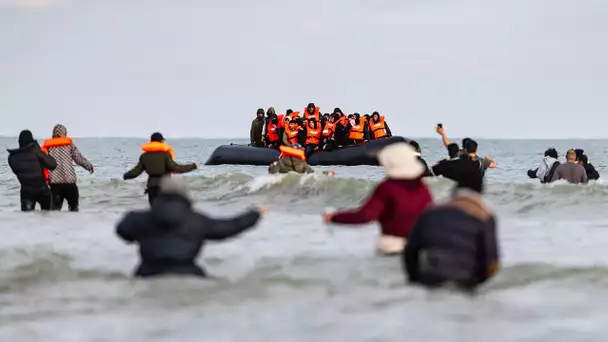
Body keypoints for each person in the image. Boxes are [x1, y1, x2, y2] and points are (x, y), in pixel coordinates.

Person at [116, 175, 266, 278]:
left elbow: (122, 230)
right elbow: (228, 227)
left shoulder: (139, 219)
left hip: (147, 274)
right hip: (189, 275)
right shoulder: (197, 220)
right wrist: (254, 214)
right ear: (185, 194)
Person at [404, 158, 499, 291]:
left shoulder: (431, 213)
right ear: (481, 191)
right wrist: (475, 284)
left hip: (430, 280)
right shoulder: (484, 217)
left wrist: (415, 279)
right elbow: (491, 264)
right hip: (464, 282)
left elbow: (410, 251)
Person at [323, 143, 433, 255]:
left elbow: (366, 215)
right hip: (418, 246)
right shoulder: (423, 188)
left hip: (392, 246)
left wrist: (334, 217)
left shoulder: (388, 187)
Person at [123, 132, 198, 204]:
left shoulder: (144, 156)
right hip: (165, 186)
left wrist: (126, 175)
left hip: (152, 186)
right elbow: (176, 168)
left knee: (154, 210)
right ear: (161, 141)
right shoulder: (165, 155)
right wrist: (193, 166)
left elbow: (136, 171)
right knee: (165, 210)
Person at [41, 124, 94, 211]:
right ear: (64, 133)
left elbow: (42, 163)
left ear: (53, 133)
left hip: (55, 185)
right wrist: (89, 167)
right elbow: (79, 159)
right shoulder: (69, 145)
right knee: (74, 209)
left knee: (55, 211)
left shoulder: (48, 147)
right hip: (70, 183)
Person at [7, 130, 58, 211]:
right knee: (49, 218)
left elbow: (17, 170)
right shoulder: (36, 151)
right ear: (31, 141)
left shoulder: (12, 157)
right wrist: (37, 149)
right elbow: (53, 165)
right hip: (42, 189)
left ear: (19, 142)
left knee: (27, 220)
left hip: (26, 191)